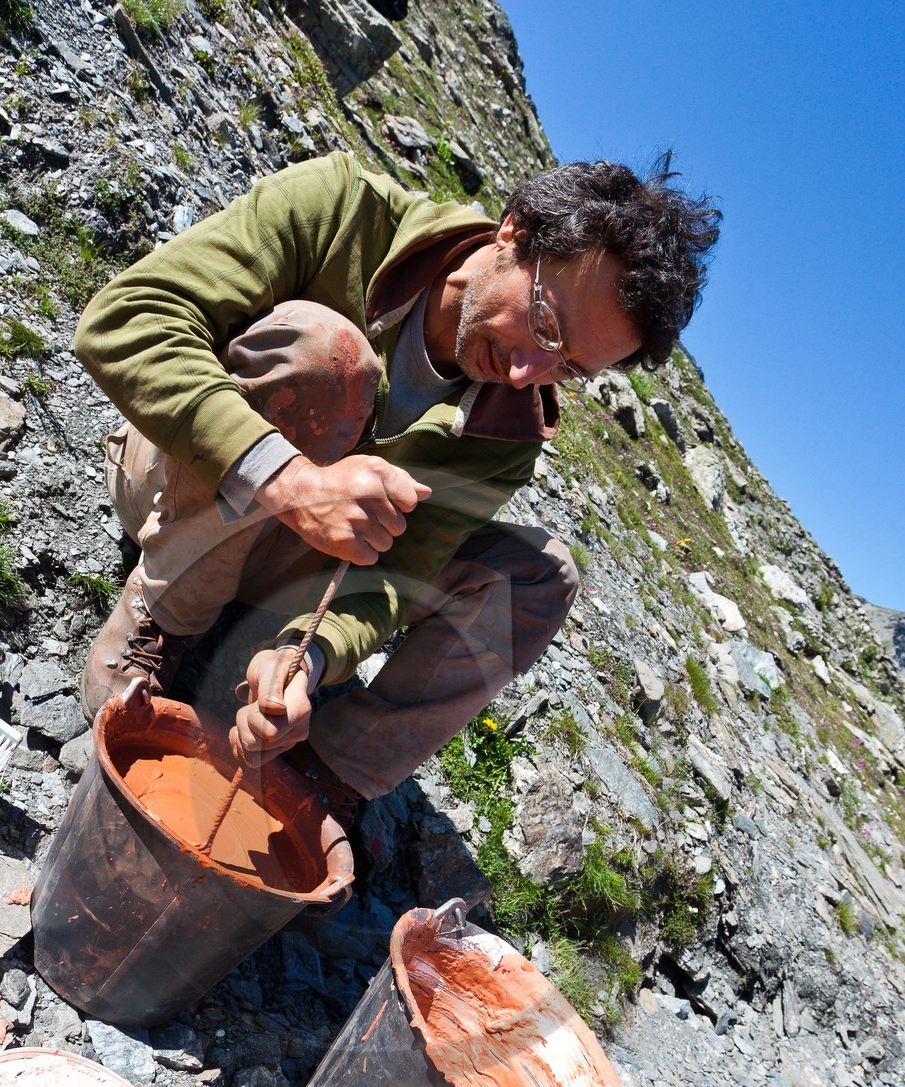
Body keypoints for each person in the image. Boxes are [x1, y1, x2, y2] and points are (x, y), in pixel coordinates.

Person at [74, 150, 719, 822]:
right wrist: (290, 481)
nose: (527, 372)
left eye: (569, 366)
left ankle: (322, 777)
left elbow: (402, 569)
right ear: (515, 230)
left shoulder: (510, 430)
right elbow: (126, 321)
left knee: (537, 575)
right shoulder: (342, 208)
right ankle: (163, 620)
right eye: (545, 324)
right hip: (175, 481)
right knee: (329, 356)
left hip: (294, 564)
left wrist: (308, 655)